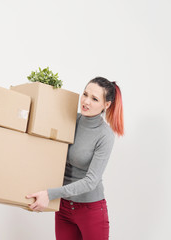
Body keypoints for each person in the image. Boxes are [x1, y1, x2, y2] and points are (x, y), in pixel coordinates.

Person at [26, 77, 124, 240]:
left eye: (94, 99)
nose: (86, 101)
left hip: (90, 210)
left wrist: (50, 194)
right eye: (85, 94)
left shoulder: (105, 136)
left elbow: (91, 181)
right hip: (63, 207)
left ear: (106, 105)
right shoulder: (71, 121)